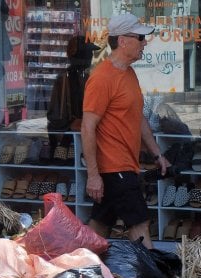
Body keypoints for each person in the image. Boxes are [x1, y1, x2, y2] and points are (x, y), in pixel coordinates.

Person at [81, 13, 171, 249]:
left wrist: (157, 154)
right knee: (139, 224)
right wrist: (93, 175)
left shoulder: (128, 74)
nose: (145, 43)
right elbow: (87, 127)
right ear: (123, 41)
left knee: (99, 226)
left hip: (124, 166)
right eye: (140, 38)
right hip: (114, 168)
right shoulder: (102, 78)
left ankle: (78, 272)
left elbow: (137, 116)